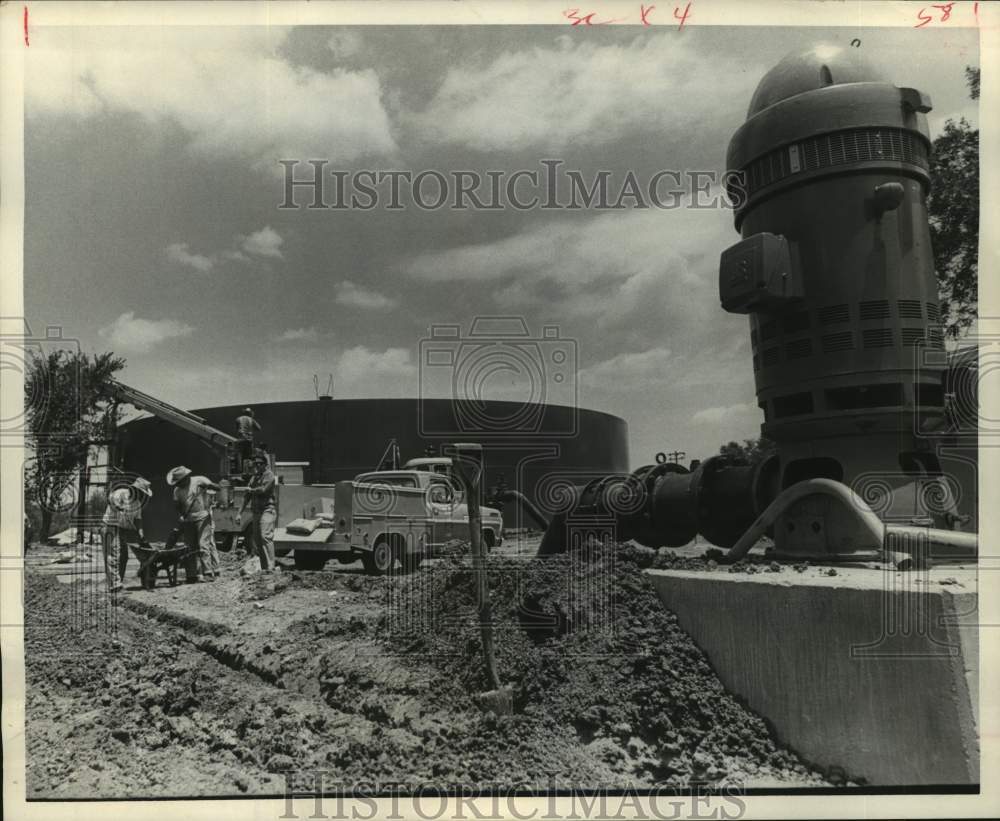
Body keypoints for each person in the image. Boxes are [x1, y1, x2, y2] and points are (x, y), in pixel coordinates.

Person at [166, 465, 221, 582]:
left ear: (186, 478)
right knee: (189, 548)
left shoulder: (199, 480)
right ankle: (191, 575)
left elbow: (218, 488)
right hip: (188, 520)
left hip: (203, 517)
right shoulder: (177, 490)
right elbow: (177, 506)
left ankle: (208, 573)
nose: (178, 484)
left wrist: (208, 485)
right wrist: (181, 515)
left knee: (203, 545)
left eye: (179, 482)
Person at [101, 477, 152, 593]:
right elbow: (109, 499)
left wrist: (140, 532)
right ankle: (115, 586)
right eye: (141, 492)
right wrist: (118, 506)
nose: (141, 495)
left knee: (123, 557)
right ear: (134, 489)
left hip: (123, 529)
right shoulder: (120, 493)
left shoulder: (138, 503)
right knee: (113, 556)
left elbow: (138, 520)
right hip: (110, 526)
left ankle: (118, 583)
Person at [238, 454, 277, 572]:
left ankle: (271, 567)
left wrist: (251, 490)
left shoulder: (269, 475)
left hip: (267, 510)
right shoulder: (254, 478)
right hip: (256, 512)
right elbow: (247, 496)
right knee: (257, 539)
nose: (258, 466)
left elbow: (263, 490)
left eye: (260, 463)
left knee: (265, 536)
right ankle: (265, 568)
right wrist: (239, 513)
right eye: (256, 464)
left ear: (265, 464)